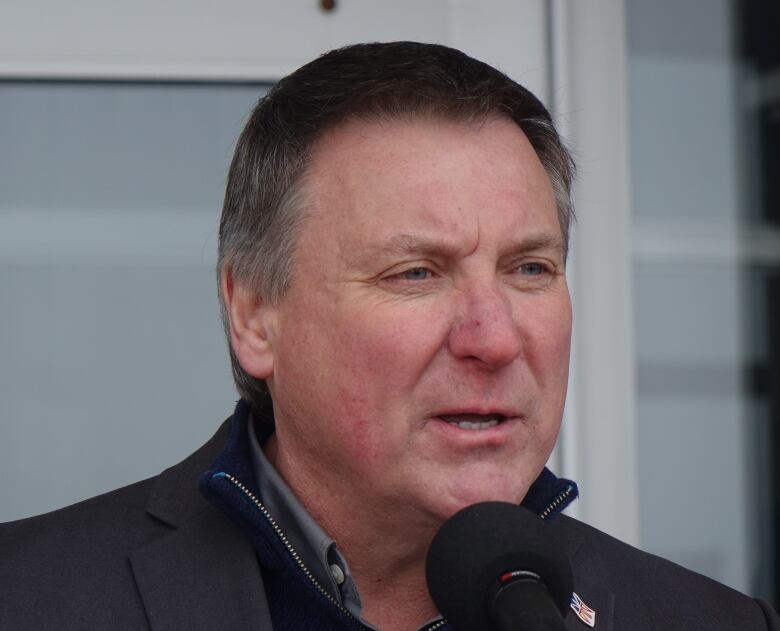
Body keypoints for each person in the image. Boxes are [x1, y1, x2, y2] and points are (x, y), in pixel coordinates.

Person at [0, 41, 776, 631]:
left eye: (530, 268)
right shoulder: (28, 596)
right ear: (253, 313)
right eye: (416, 273)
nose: (495, 338)